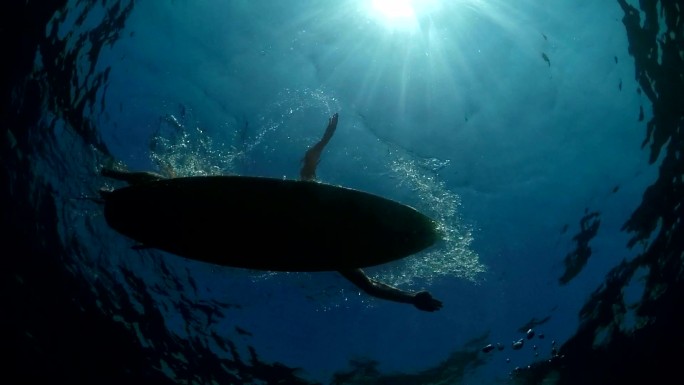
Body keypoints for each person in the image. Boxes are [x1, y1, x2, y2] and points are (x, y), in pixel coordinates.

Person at [102, 113, 442, 312]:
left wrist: (412, 298)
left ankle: (115, 189)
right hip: (235, 212)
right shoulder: (318, 213)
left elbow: (368, 286)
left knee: (168, 188)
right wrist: (324, 140)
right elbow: (308, 167)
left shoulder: (334, 251)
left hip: (232, 231)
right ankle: (114, 175)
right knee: (165, 185)